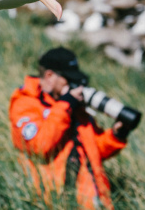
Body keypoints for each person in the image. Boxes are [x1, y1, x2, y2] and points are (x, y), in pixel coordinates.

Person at [10, 48, 128, 209]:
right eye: (69, 80)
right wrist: (65, 105)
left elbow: (95, 150)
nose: (75, 86)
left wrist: (117, 134)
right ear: (50, 76)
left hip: (94, 202)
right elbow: (40, 146)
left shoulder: (73, 107)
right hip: (57, 203)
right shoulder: (25, 104)